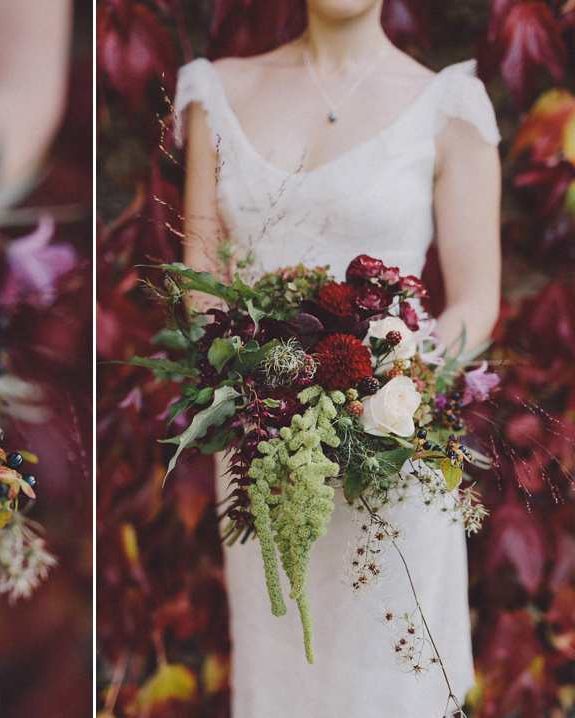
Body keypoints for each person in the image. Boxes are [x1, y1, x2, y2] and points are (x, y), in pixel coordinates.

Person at [176, 0, 500, 716]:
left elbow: (478, 299)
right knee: (283, 678)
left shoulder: (449, 106)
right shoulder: (215, 91)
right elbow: (201, 283)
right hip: (265, 458)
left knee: (393, 684)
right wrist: (259, 378)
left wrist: (397, 382)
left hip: (391, 456)